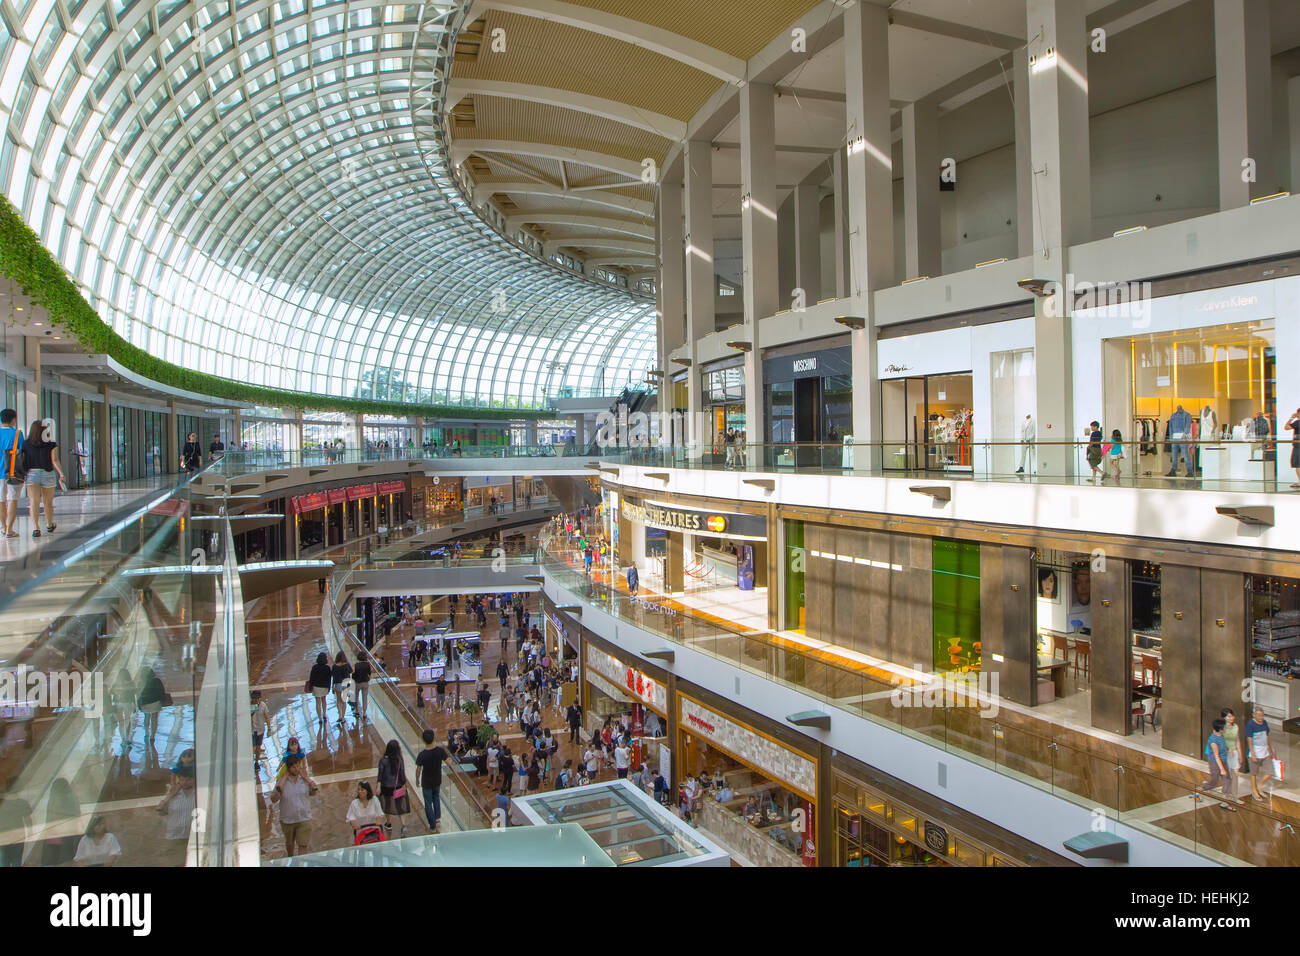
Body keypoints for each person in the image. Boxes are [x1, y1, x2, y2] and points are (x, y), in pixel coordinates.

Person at [20, 420, 65, 537]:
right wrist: (61, 473)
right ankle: (49, 525)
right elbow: (54, 460)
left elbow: (23, 459)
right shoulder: (51, 443)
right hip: (48, 474)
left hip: (32, 474)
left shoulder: (26, 444)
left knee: (34, 502)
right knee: (48, 502)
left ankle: (36, 528)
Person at [270, 754, 316, 856]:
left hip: (304, 818)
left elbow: (314, 792)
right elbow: (274, 799)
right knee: (290, 843)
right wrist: (283, 779)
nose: (296, 769)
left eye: (297, 766)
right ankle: (290, 857)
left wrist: (307, 779)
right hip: (288, 820)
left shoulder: (303, 780)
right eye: (293, 767)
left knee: (303, 845)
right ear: (288, 768)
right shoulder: (281, 782)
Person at [415, 729, 451, 833]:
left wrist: (417, 780)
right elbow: (449, 762)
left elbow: (418, 769)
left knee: (428, 803)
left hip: (426, 782)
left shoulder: (422, 754)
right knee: (436, 798)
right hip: (437, 780)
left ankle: (432, 825)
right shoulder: (440, 751)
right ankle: (437, 818)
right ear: (433, 738)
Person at [1199, 718, 1236, 810]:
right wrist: (1222, 769)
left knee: (1227, 779)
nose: (1226, 728)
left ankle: (1224, 799)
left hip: (1223, 760)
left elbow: (1223, 745)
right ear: (1220, 729)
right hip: (1215, 762)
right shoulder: (1213, 740)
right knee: (1214, 779)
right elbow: (1216, 756)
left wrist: (1229, 749)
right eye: (1225, 727)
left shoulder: (1221, 735)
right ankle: (1204, 787)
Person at [377, 739, 410, 834]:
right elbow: (402, 773)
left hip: (386, 787)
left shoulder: (383, 760)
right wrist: (404, 784)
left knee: (387, 804)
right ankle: (403, 825)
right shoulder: (399, 760)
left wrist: (378, 786)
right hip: (398, 786)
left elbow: (380, 774)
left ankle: (388, 823)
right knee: (400, 806)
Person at [1243, 706, 1277, 801]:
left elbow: (1267, 735)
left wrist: (1272, 748)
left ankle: (1260, 785)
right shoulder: (1250, 724)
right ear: (1254, 715)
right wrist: (1253, 754)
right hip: (1255, 751)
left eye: (1262, 715)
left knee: (1270, 771)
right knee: (1254, 773)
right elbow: (1249, 739)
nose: (1261, 718)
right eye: (1259, 716)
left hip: (1265, 751)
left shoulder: (1264, 723)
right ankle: (1254, 791)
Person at [0, 409, 23, 537]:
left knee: (1, 500)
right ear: (13, 419)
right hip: (13, 472)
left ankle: (3, 527)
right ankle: (9, 529)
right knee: (12, 500)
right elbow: (22, 452)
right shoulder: (18, 434)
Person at [137, 668, 168, 741]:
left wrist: (139, 704)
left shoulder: (141, 682)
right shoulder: (157, 680)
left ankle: (146, 733)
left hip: (145, 703)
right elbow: (161, 691)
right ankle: (152, 736)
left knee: (146, 717)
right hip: (155, 703)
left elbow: (138, 694)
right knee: (154, 719)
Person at [1167, 405, 1194, 477]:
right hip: (1174, 437)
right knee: (1174, 455)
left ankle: (1190, 471)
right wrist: (1171, 437)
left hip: (1182, 437)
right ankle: (1173, 470)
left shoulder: (1187, 415)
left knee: (1185, 455)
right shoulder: (1173, 416)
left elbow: (1187, 426)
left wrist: (1184, 435)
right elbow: (1170, 426)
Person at [250, 690, 272, 771]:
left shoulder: (263, 705)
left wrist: (269, 729)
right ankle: (251, 762)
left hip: (260, 730)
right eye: (253, 699)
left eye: (256, 699)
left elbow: (267, 717)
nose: (255, 700)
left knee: (258, 747)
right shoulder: (249, 705)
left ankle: (256, 762)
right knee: (253, 747)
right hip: (251, 730)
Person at [308, 651, 331, 723]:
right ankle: (324, 714)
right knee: (324, 700)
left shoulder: (314, 667)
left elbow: (311, 678)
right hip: (324, 686)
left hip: (316, 686)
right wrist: (329, 687)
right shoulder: (327, 668)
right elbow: (329, 678)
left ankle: (320, 718)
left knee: (317, 702)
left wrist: (311, 686)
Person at [330, 651, 352, 726]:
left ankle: (339, 715)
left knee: (338, 700)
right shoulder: (347, 665)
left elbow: (332, 676)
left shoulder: (334, 666)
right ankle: (343, 716)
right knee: (344, 701)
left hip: (338, 684)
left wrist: (332, 685)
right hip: (345, 684)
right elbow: (351, 671)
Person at [353, 653, 372, 722]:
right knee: (365, 697)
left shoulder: (356, 665)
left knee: (356, 696)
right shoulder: (367, 665)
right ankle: (364, 712)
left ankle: (357, 710)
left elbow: (353, 674)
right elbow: (369, 673)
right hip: (365, 682)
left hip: (358, 683)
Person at [1286, 407, 1300, 490]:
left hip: (1298, 446)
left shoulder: (1298, 422)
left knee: (1298, 464)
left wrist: (1291, 418)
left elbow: (1286, 427)